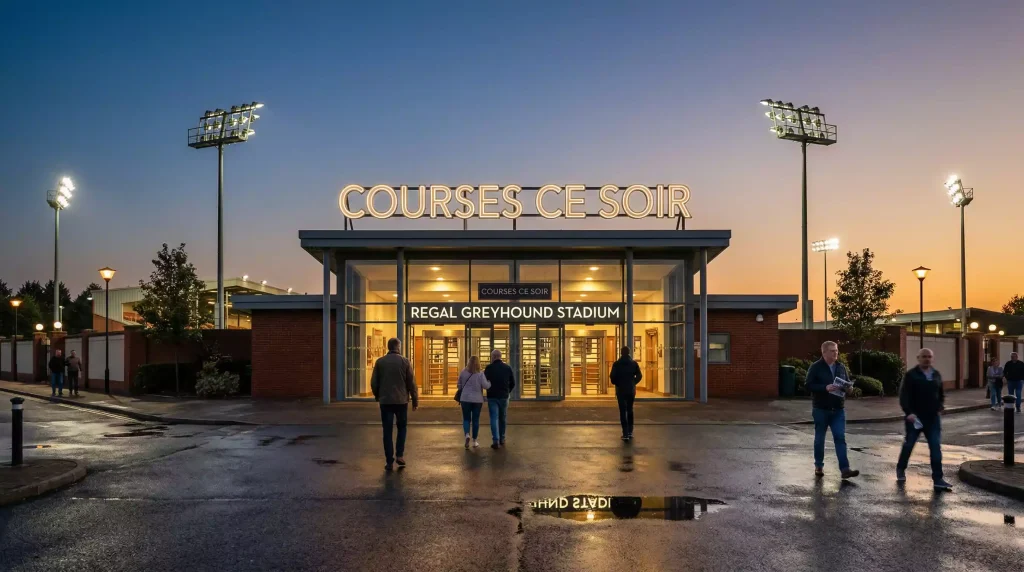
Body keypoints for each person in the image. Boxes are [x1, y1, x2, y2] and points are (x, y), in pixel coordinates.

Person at [896, 347, 953, 491]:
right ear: (918, 358)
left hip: (932, 418)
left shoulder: (936, 374)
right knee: (909, 445)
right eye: (924, 356)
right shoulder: (911, 375)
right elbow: (904, 395)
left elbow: (940, 393)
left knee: (935, 447)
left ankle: (938, 479)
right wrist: (908, 412)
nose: (927, 359)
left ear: (932, 358)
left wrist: (940, 405)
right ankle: (901, 468)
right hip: (915, 418)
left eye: (929, 356)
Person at [805, 341, 859, 479]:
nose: (836, 353)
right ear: (824, 353)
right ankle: (819, 466)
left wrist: (849, 388)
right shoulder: (816, 367)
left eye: (836, 350)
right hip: (821, 409)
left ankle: (845, 469)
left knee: (840, 438)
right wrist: (824, 387)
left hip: (838, 410)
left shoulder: (841, 367)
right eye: (832, 351)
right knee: (819, 439)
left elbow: (847, 383)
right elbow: (808, 385)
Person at [370, 337, 419, 471]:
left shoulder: (380, 362)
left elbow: (374, 382)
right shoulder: (405, 361)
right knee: (402, 428)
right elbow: (411, 383)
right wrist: (415, 400)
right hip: (401, 401)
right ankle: (399, 455)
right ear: (398, 347)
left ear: (388, 347)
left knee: (387, 430)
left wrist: (378, 396)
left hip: (385, 401)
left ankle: (389, 461)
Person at [609, 345, 642, 442]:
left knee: (623, 411)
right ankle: (631, 432)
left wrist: (617, 383)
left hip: (621, 390)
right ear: (629, 352)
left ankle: (625, 433)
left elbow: (612, 377)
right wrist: (633, 382)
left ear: (621, 353)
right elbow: (639, 375)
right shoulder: (634, 363)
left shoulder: (617, 364)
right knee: (630, 409)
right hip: (631, 390)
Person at [484, 349, 515, 449]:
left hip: (492, 396)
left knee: (494, 417)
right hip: (504, 396)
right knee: (502, 418)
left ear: (493, 357)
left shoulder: (488, 368)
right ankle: (502, 438)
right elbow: (513, 382)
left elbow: (484, 382)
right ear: (500, 356)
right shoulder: (507, 367)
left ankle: (495, 440)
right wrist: (507, 391)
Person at [457, 355, 490, 449]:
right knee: (475, 420)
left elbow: (458, 385)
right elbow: (486, 386)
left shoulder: (463, 372)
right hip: (477, 400)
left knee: (466, 419)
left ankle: (467, 435)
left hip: (465, 399)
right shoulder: (480, 373)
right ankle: (474, 441)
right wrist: (490, 383)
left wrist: (463, 388)